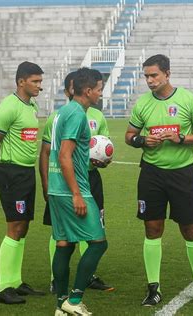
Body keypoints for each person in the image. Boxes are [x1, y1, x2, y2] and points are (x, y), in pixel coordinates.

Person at [125, 54, 193, 306]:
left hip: (182, 173)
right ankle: (154, 289)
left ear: (167, 74)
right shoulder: (143, 104)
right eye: (146, 76)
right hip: (151, 174)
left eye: (154, 75)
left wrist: (182, 138)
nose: (150, 81)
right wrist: (142, 141)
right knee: (152, 228)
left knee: (190, 229)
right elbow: (130, 135)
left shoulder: (187, 99)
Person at [39, 71, 114, 294]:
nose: (101, 93)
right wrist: (77, 194)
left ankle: (61, 303)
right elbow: (64, 155)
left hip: (56, 188)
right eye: (99, 89)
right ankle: (75, 299)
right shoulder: (77, 115)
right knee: (99, 243)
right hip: (74, 188)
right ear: (88, 91)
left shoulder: (62, 112)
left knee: (64, 244)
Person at [0, 61, 46, 304]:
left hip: (26, 173)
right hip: (12, 173)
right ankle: (4, 288)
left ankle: (16, 281)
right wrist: (3, 164)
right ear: (21, 81)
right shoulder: (8, 107)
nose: (40, 86)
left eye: (40, 81)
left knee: (24, 226)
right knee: (14, 226)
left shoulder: (31, 106)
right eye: (35, 81)